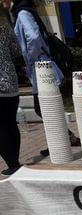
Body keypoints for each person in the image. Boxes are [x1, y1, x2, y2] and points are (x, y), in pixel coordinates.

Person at [4, 0, 78, 156]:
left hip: (41, 67)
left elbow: (34, 37)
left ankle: (63, 139)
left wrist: (31, 58)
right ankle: (64, 138)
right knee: (44, 107)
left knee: (43, 107)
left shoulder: (22, 14)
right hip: (43, 66)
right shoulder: (26, 12)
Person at [0, 6, 22, 175]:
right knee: (10, 123)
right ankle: (15, 162)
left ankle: (12, 164)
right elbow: (16, 51)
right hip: (10, 81)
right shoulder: (6, 27)